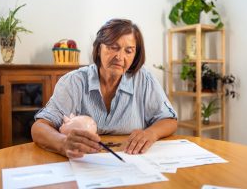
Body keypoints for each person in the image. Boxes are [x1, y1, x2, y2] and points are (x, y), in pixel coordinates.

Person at [32, 19, 178, 158]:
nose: (120, 57)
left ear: (135, 54)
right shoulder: (73, 81)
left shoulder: (144, 80)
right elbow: (39, 127)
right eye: (113, 47)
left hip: (131, 159)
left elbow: (169, 119)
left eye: (129, 51)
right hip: (82, 161)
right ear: (98, 48)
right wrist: (62, 143)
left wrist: (151, 133)